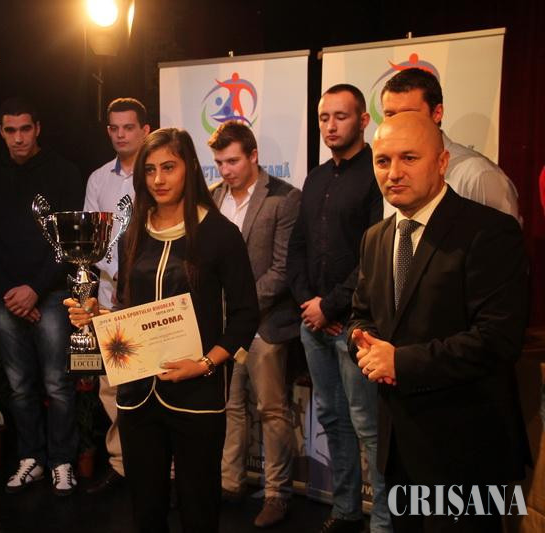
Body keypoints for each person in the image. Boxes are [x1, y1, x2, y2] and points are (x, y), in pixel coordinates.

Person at [66, 128, 259, 532]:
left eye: (169, 167)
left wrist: (205, 364)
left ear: (190, 168)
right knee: (147, 510)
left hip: (197, 395)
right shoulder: (132, 232)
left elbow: (245, 316)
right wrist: (98, 315)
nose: (158, 179)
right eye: (150, 170)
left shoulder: (220, 233)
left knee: (199, 510)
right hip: (137, 395)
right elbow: (129, 310)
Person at [348, 112, 529, 532]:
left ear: (443, 161)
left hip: (469, 450)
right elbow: (363, 313)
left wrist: (400, 363)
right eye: (383, 160)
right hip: (399, 447)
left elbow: (498, 339)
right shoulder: (375, 237)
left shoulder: (490, 231)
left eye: (409, 158)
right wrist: (365, 343)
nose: (394, 172)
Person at [286, 84, 390, 533]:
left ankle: (383, 522)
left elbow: (374, 257)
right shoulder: (315, 178)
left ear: (363, 121)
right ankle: (346, 510)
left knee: (368, 426)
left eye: (340, 116)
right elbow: (296, 248)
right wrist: (309, 304)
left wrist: (330, 307)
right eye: (324, 117)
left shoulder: (377, 175)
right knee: (332, 418)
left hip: (357, 326)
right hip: (314, 324)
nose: (330, 126)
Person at [0, 97, 84, 496]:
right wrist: (11, 293)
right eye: (10, 130)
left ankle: (62, 461)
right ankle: (31, 458)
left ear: (37, 128)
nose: (18, 138)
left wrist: (35, 290)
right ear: (0, 132)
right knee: (20, 386)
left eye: (24, 129)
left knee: (57, 384)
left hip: (51, 293)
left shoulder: (64, 172)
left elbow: (69, 240)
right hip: (6, 296)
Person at [207, 121, 301, 527]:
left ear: (254, 156)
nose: (225, 170)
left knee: (271, 409)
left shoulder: (284, 198)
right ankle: (229, 483)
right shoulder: (213, 197)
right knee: (229, 405)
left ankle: (277, 493)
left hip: (266, 322)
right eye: (219, 163)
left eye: (232, 161)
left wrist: (242, 308)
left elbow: (283, 269)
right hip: (226, 325)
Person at [82, 97, 150, 494]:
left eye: (128, 127)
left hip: (151, 297)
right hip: (110, 296)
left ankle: (163, 469)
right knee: (112, 388)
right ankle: (123, 465)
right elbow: (91, 240)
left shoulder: (156, 173)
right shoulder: (98, 179)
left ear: (145, 129)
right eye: (114, 128)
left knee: (154, 385)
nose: (121, 134)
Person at [381, 67, 520, 223]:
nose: (398, 123)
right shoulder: (389, 174)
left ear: (437, 113)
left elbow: (503, 235)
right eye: (390, 115)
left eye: (409, 114)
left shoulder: (479, 175)